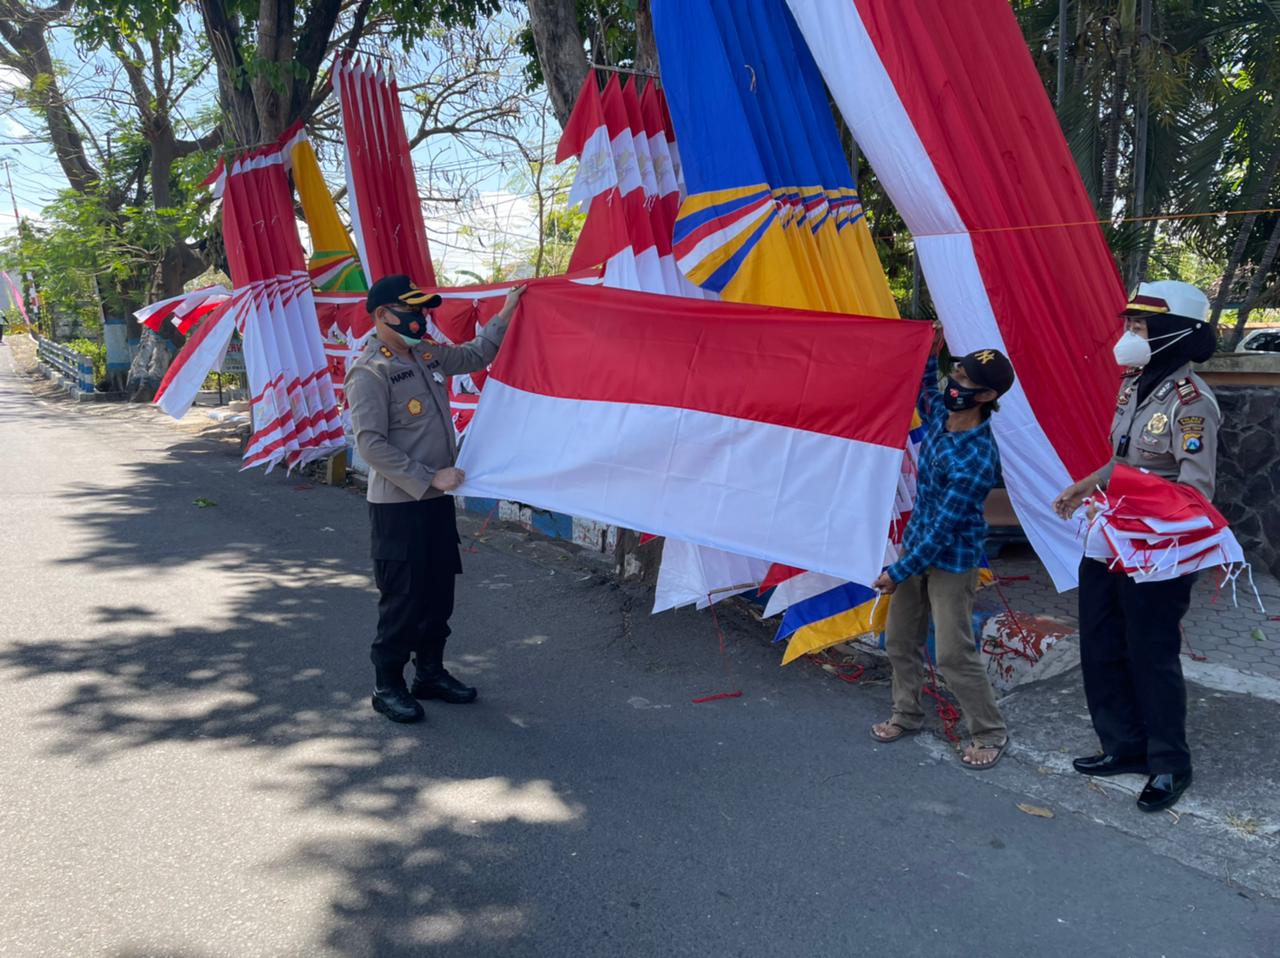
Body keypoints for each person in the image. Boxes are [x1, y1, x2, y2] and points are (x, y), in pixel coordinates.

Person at [1052, 280, 1220, 812]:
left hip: (1157, 549)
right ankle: (1123, 746)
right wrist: (1086, 485)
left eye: (1141, 327)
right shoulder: (1133, 386)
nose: (1129, 335)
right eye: (1131, 324)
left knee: (1152, 654)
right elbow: (1123, 460)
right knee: (1101, 645)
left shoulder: (1194, 405)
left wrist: (1126, 494)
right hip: (1109, 537)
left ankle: (1171, 763)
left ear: (1173, 334)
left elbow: (1194, 492)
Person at [345, 274, 526, 723]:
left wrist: (506, 313)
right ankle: (387, 685)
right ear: (383, 315)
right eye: (411, 311)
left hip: (434, 501)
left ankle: (429, 673)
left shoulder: (425, 355)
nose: (420, 319)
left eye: (423, 310)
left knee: (438, 594)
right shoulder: (370, 371)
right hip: (400, 505)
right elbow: (371, 446)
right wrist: (430, 477)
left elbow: (476, 355)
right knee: (403, 598)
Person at [871, 324, 1016, 770]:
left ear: (987, 397)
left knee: (953, 652)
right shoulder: (940, 415)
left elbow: (945, 530)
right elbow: (920, 388)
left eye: (968, 382)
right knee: (898, 641)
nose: (956, 384)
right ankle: (906, 714)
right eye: (956, 373)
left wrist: (897, 571)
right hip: (916, 549)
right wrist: (926, 350)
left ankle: (990, 731)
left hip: (951, 560)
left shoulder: (977, 456)